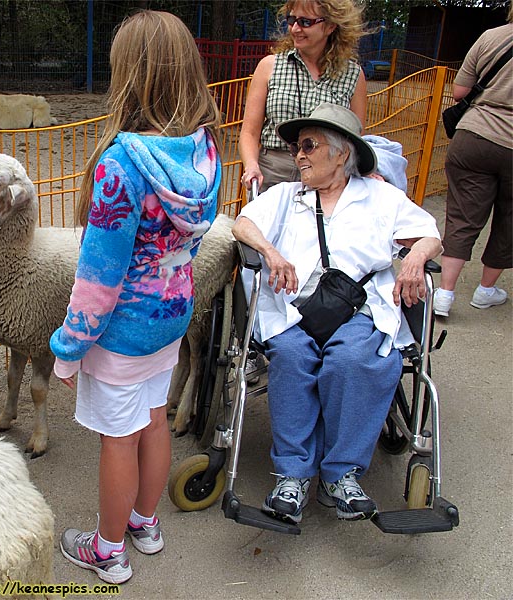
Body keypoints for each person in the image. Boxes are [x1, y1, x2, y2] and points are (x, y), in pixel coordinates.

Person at [49, 11, 222, 584]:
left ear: (129, 75)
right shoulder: (203, 154)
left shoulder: (120, 168)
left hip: (121, 330)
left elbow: (99, 277)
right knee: (153, 417)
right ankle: (145, 523)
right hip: (171, 316)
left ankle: (108, 548)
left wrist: (69, 345)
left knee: (116, 439)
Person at [232, 103, 441, 524]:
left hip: (358, 310)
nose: (298, 155)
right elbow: (243, 224)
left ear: (343, 153)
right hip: (290, 307)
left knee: (353, 361)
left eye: (308, 145)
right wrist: (271, 253)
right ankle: (292, 475)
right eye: (295, 147)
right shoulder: (287, 196)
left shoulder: (379, 197)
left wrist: (416, 258)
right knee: (292, 358)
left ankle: (341, 473)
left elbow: (430, 233)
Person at [239, 0, 367, 193]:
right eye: (292, 20)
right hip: (274, 172)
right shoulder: (270, 66)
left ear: (331, 25)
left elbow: (356, 138)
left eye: (306, 22)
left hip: (326, 177)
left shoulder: (353, 75)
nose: (296, 29)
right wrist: (251, 165)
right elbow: (249, 132)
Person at [433, 15, 512, 317]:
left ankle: (444, 294)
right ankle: (485, 291)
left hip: (474, 135)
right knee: (509, 219)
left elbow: (460, 92)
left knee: (463, 216)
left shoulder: (490, 37)